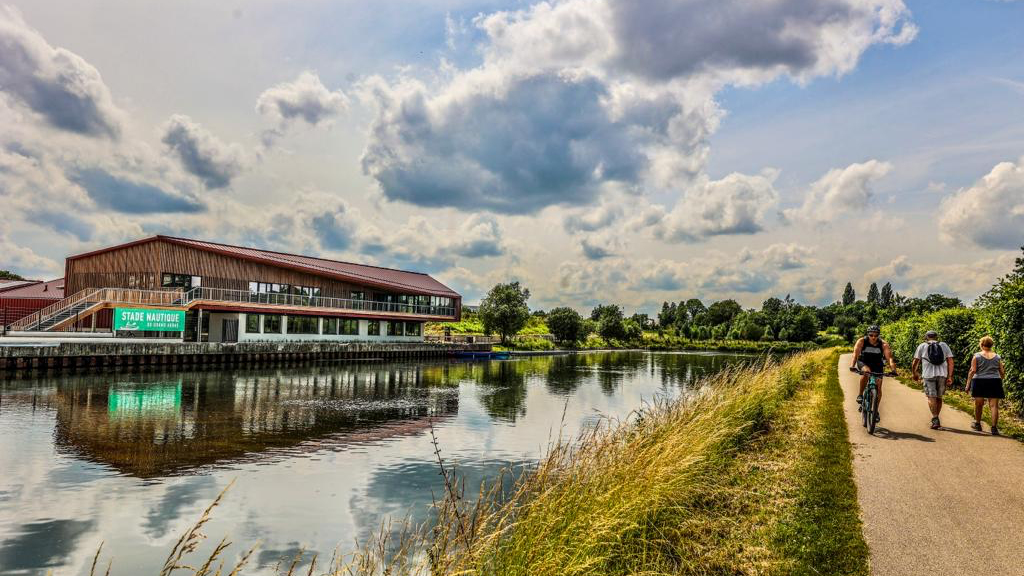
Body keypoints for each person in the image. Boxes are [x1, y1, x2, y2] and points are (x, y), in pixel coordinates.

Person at [851, 325, 895, 424]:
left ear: (878, 335)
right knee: (866, 372)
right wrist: (852, 365)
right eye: (871, 335)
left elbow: (889, 358)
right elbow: (855, 353)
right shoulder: (862, 341)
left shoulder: (883, 344)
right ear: (868, 335)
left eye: (876, 335)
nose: (873, 337)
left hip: (877, 364)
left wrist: (893, 370)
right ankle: (860, 395)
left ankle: (875, 410)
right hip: (864, 362)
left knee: (878, 387)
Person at [911, 330, 954, 430]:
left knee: (931, 397)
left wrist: (914, 373)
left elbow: (915, 362)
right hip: (942, 374)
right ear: (936, 337)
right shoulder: (944, 345)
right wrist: (950, 376)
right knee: (939, 397)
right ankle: (936, 418)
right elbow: (950, 361)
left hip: (928, 374)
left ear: (926, 337)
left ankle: (935, 418)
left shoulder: (922, 346)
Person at [965, 336, 1006, 436]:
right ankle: (994, 428)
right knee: (994, 406)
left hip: (979, 381)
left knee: (979, 404)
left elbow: (973, 371)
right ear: (991, 345)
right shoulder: (997, 357)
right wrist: (1000, 379)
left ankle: (978, 424)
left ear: (981, 345)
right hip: (994, 381)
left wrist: (968, 384)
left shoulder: (977, 356)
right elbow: (1002, 372)